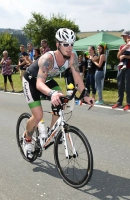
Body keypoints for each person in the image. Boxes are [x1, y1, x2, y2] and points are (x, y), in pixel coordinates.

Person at [22, 28, 94, 159]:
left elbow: (78, 79)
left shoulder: (73, 57)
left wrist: (85, 95)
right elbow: (39, 84)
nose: (69, 47)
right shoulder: (48, 58)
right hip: (32, 81)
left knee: (62, 101)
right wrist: (52, 93)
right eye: (65, 44)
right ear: (57, 44)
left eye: (72, 44)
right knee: (37, 115)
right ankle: (27, 140)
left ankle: (51, 132)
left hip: (47, 80)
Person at [112, 30, 130, 111]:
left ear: (129, 36)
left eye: (125, 36)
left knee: (128, 86)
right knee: (120, 84)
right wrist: (123, 50)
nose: (124, 37)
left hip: (129, 67)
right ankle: (119, 102)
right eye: (123, 36)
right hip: (120, 67)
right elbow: (118, 56)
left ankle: (128, 104)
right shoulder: (122, 46)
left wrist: (125, 57)